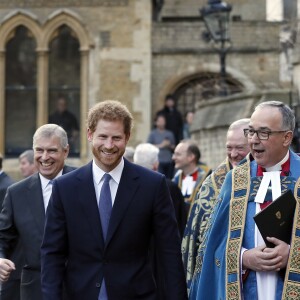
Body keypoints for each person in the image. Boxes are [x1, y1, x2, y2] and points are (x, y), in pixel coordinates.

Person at [41, 100, 187, 300]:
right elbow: (52, 254)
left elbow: (169, 253)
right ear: (90, 134)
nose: (109, 146)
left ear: (127, 138)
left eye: (116, 138)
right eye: (103, 136)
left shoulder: (152, 185)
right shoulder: (64, 188)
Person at [189, 101, 300, 300]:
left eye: (264, 133)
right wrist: (243, 258)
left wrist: (294, 255)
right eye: (251, 132)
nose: (254, 140)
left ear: (286, 137)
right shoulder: (236, 179)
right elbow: (212, 246)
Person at [0, 124, 75, 300]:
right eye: (39, 150)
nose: (45, 157)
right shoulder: (16, 193)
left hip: (78, 288)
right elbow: (3, 237)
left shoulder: (85, 183)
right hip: (34, 290)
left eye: (52, 151)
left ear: (66, 151)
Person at [181, 118, 250, 292]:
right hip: (216, 278)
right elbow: (195, 238)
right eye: (229, 148)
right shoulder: (211, 185)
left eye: (240, 148)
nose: (233, 154)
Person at [133, 143, 187, 300]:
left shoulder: (126, 187)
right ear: (156, 164)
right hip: (160, 262)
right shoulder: (167, 186)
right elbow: (181, 224)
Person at [172, 139, 211, 216]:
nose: (173, 158)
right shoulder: (176, 178)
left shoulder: (208, 177)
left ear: (191, 157)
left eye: (178, 154)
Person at [147, 114, 176, 179]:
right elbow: (149, 146)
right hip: (158, 161)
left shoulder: (170, 133)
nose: (162, 122)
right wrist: (162, 145)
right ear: (156, 122)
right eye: (160, 121)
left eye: (163, 121)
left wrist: (169, 145)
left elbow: (174, 147)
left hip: (169, 161)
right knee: (160, 179)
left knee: (169, 179)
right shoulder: (153, 134)